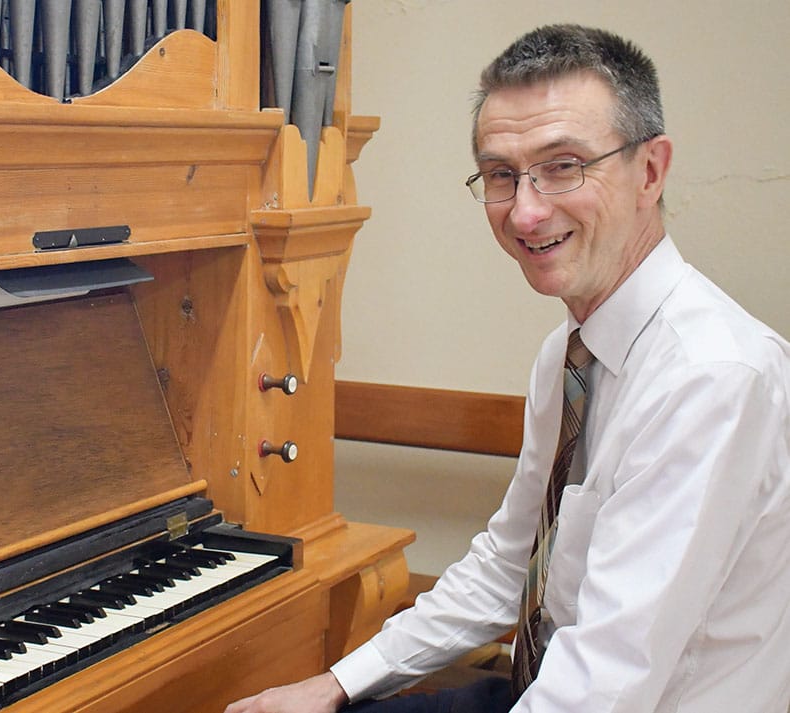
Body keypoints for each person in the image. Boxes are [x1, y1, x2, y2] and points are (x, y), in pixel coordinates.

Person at [225, 23, 790, 713]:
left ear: (650, 171)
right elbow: (511, 560)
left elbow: (602, 684)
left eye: (564, 165)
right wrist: (334, 682)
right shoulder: (571, 353)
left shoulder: (714, 378)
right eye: (501, 175)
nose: (525, 210)